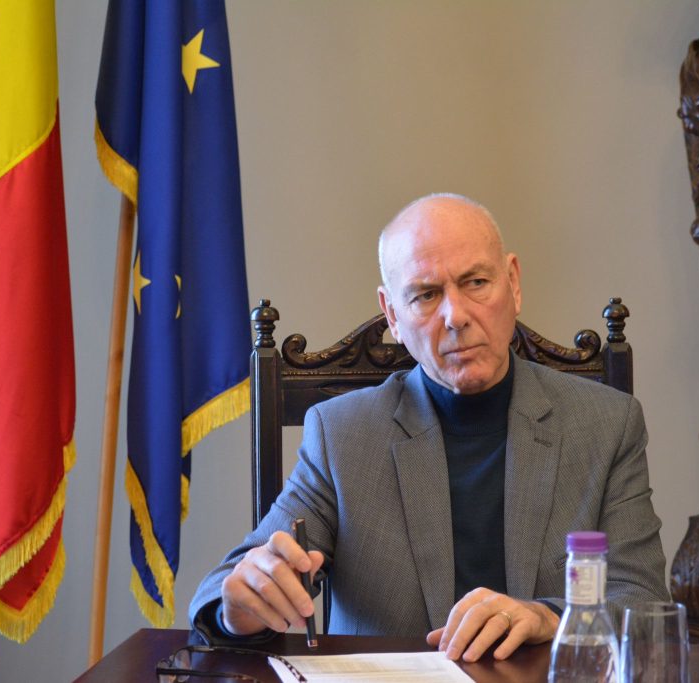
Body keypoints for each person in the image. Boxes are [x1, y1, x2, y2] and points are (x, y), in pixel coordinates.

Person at [189, 193, 669, 662]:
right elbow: (230, 585)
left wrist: (549, 617)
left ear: (513, 283)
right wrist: (240, 607)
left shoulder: (606, 424)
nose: (456, 316)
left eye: (476, 282)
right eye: (426, 294)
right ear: (393, 316)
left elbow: (642, 599)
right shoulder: (343, 435)